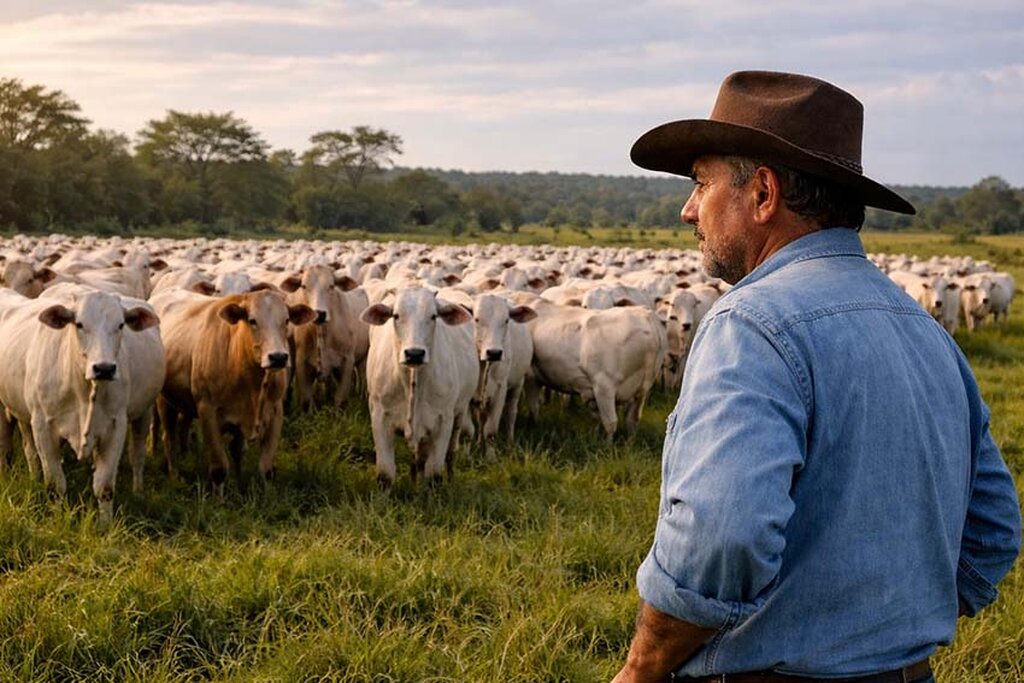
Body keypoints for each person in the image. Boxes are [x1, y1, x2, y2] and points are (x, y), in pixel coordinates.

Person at [612, 70, 1021, 683]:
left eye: (701, 184)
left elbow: (720, 538)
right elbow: (992, 527)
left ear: (764, 194)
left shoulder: (751, 324)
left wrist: (642, 668)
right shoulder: (923, 326)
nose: (687, 208)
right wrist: (884, 627)